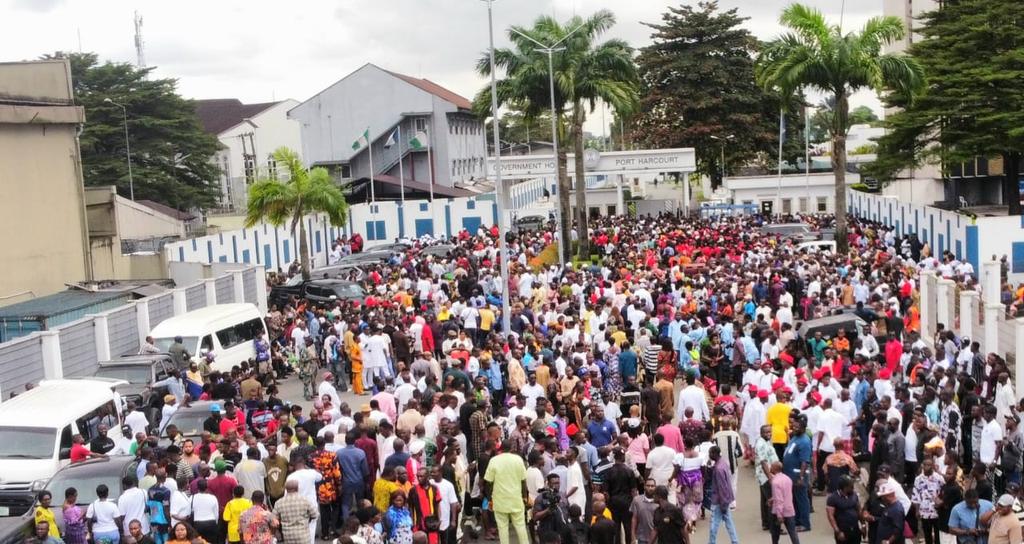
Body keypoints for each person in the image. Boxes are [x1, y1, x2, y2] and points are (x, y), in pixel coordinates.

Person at [483, 439, 529, 544]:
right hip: (516, 500)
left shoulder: (494, 460)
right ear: (512, 448)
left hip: (500, 501)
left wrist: (490, 499)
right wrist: (525, 497)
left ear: (501, 448)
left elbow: (488, 483)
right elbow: (523, 481)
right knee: (520, 526)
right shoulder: (518, 460)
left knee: (502, 528)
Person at [782, 415, 813, 531]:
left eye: (796, 427)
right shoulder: (795, 437)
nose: (794, 428)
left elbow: (804, 461)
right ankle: (796, 521)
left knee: (802, 499)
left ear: (803, 428)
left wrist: (801, 477)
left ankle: (805, 523)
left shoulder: (804, 441)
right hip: (790, 475)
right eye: (793, 426)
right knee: (794, 499)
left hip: (797, 475)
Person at [769, 461, 800, 544]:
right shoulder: (787, 479)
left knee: (775, 534)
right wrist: (773, 498)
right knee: (793, 533)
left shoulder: (775, 482)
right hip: (789, 509)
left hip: (778, 511)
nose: (770, 468)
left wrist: (779, 515)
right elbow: (786, 494)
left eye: (771, 466)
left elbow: (779, 500)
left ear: (774, 469)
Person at [826, 476, 861, 544]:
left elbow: (859, 510)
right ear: (844, 487)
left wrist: (863, 525)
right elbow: (830, 516)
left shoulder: (854, 495)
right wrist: (837, 531)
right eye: (851, 486)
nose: (853, 487)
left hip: (855, 529)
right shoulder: (833, 498)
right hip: (843, 531)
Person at [630, 478, 659, 544]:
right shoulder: (637, 500)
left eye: (652, 486)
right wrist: (633, 536)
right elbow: (634, 519)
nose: (650, 488)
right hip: (641, 537)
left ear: (655, 487)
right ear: (644, 486)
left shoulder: (659, 502)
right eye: (648, 486)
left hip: (656, 539)